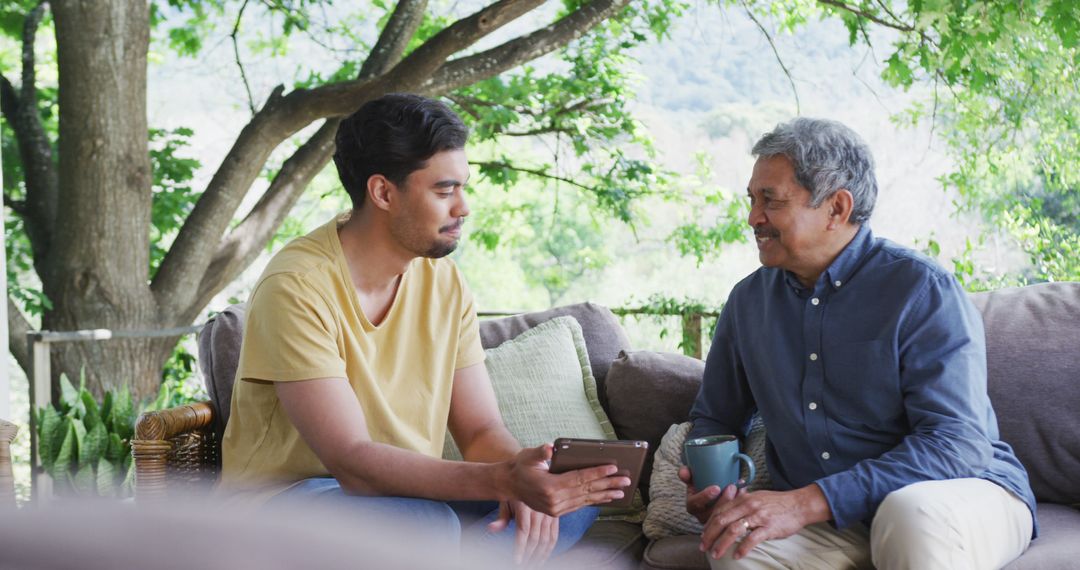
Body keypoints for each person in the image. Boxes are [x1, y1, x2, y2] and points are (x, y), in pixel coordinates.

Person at [219, 93, 630, 566]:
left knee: (568, 501)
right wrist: (502, 481)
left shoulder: (444, 282)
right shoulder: (296, 286)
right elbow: (351, 462)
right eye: (444, 190)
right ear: (383, 192)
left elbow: (478, 431)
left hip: (406, 493)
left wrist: (524, 477)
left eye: (463, 188)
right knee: (427, 525)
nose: (464, 208)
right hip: (288, 505)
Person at [681, 118, 1036, 569]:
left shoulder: (921, 290)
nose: (753, 218)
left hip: (959, 494)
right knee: (736, 544)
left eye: (770, 201)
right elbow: (716, 416)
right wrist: (714, 482)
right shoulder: (748, 302)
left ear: (836, 208)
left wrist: (809, 501)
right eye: (752, 200)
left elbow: (956, 444)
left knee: (908, 513)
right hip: (828, 518)